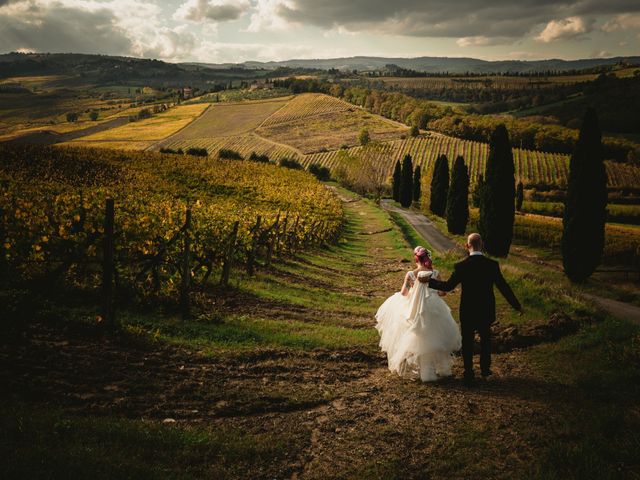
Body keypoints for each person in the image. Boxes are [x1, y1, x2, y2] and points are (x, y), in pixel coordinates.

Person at [424, 233, 522, 385]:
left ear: (467, 246)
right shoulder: (492, 265)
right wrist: (517, 305)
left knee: (468, 342)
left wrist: (429, 282)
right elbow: (504, 287)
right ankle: (484, 369)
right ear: (482, 244)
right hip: (486, 309)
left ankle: (468, 372)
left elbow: (448, 286)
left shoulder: (461, 266)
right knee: (486, 340)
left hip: (468, 310)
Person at [375, 246, 461, 382]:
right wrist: (433, 293)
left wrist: (414, 296)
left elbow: (404, 293)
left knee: (420, 337)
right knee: (437, 337)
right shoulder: (435, 273)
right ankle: (444, 370)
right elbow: (442, 292)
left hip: (416, 308)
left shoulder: (411, 274)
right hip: (435, 307)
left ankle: (426, 374)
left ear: (416, 258)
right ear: (427, 257)